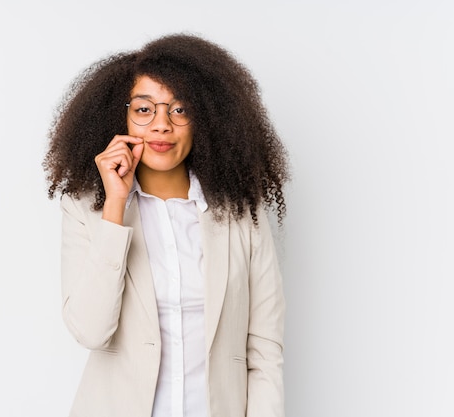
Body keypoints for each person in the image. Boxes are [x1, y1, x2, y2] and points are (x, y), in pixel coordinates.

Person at [44, 33, 290, 417]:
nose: (161, 126)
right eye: (144, 110)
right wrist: (115, 206)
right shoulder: (86, 210)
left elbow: (264, 350)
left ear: (204, 119)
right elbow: (90, 331)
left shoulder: (242, 215)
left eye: (179, 110)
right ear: (120, 117)